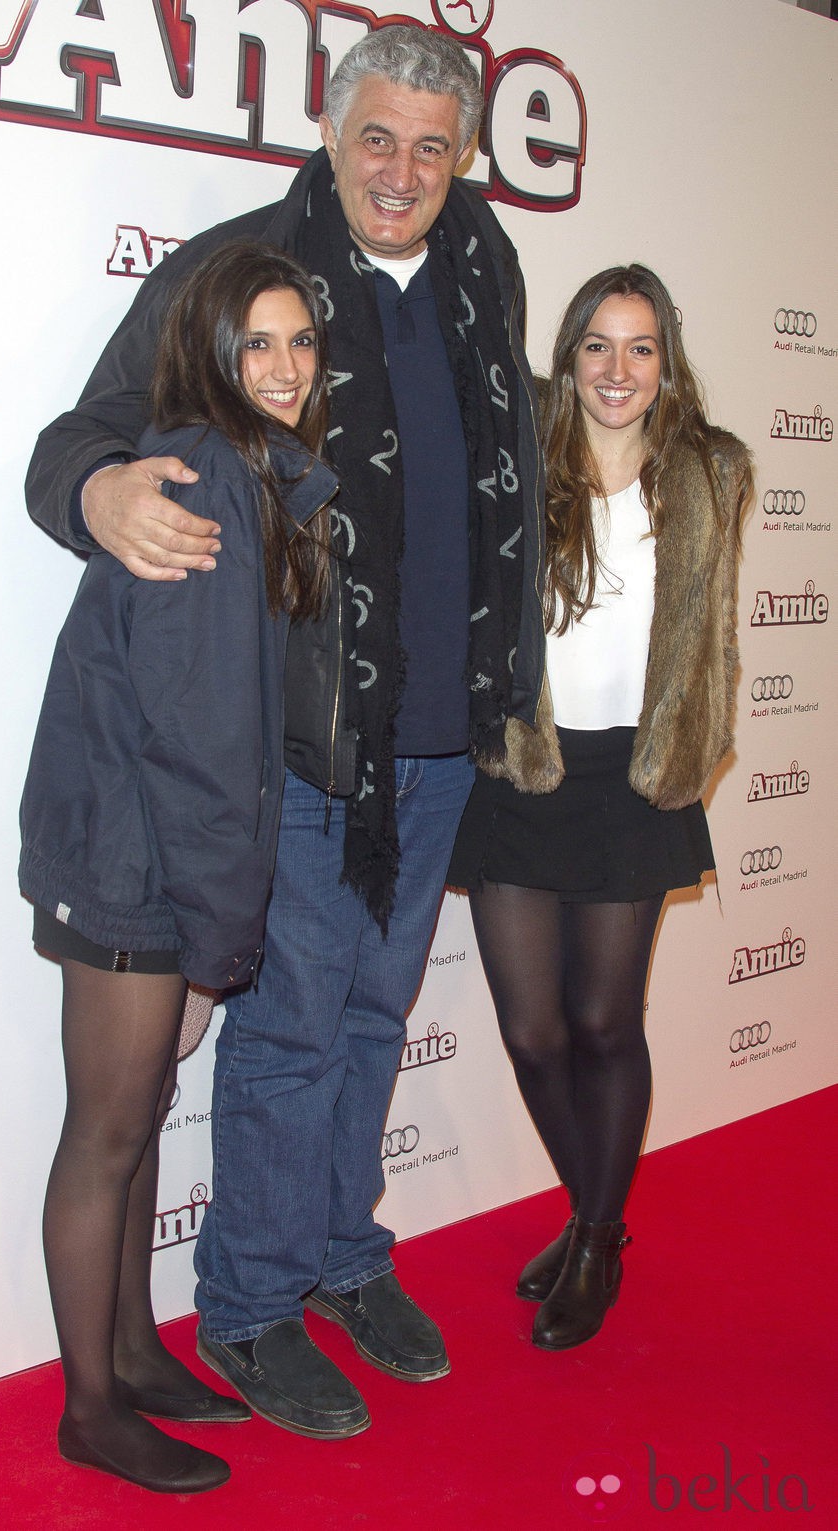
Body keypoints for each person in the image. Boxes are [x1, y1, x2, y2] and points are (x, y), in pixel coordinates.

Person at [25, 24, 546, 1439]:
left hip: (442, 738)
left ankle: (338, 1251)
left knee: (374, 1019)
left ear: (466, 160)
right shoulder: (241, 269)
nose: (402, 170)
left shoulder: (487, 270)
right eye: (378, 137)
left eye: (435, 146)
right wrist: (96, 496)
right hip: (306, 735)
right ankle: (251, 1300)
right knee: (294, 1031)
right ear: (328, 133)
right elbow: (78, 434)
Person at [19, 241, 337, 1491]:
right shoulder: (204, 472)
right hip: (125, 853)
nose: (283, 367)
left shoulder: (241, 470)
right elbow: (203, 740)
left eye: (300, 341)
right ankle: (89, 1406)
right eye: (253, 344)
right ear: (205, 353)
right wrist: (216, 951)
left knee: (140, 1112)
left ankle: (138, 1351)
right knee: (106, 1130)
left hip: (132, 840)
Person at [450, 264, 752, 1350]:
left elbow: (708, 638)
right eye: (596, 346)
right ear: (566, 354)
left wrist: (690, 747)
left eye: (638, 349)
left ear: (664, 364)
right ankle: (597, 1220)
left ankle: (590, 1236)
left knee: (598, 1022)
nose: (616, 371)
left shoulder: (707, 475)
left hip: (630, 779)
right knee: (530, 1030)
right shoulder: (522, 459)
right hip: (519, 769)